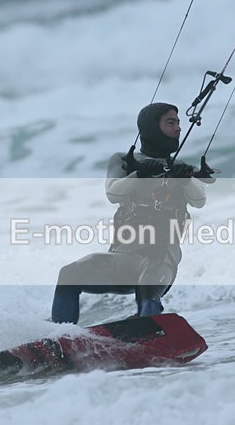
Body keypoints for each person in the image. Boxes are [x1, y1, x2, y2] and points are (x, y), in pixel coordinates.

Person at [50, 102, 211, 324]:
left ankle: (147, 329)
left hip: (161, 258)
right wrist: (140, 173)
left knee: (148, 282)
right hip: (122, 257)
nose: (178, 129)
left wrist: (184, 178)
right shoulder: (124, 161)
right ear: (152, 127)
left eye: (179, 123)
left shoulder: (181, 168)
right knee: (69, 274)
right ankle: (60, 337)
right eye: (171, 122)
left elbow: (199, 200)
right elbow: (113, 194)